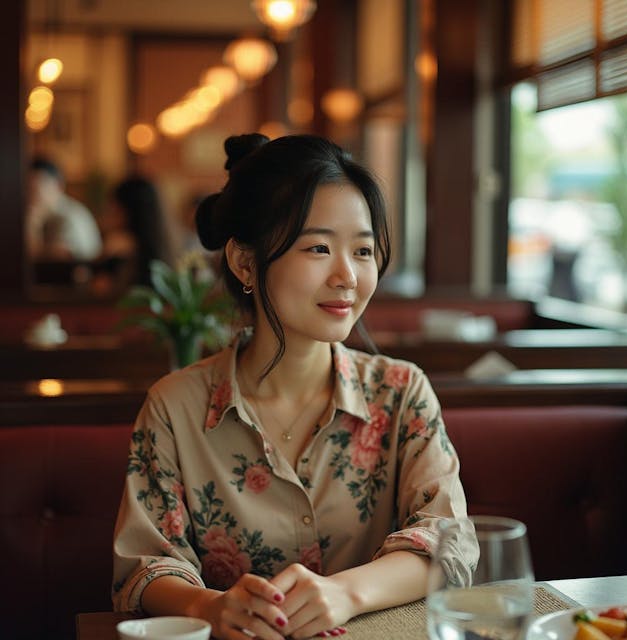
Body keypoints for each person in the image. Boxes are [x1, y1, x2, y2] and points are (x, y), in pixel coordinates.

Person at [112, 134, 478, 640]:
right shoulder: (175, 406)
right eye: (319, 248)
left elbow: (448, 540)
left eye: (364, 250)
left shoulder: (400, 392)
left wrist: (346, 593)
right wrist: (213, 608)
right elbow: (147, 565)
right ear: (245, 262)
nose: (348, 275)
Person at [26, 156, 102, 260]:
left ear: (58, 186)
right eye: (27, 190)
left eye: (35, 190)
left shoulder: (67, 216)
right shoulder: (49, 214)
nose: (30, 197)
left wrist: (32, 225)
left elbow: (54, 260)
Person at [102, 175, 173, 286]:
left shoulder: (124, 249)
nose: (109, 215)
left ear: (129, 212)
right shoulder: (168, 243)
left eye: (113, 209)